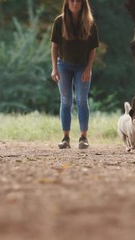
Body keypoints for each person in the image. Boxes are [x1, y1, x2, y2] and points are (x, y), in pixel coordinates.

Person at [50, 0, 99, 149]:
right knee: (66, 101)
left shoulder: (89, 22)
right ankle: (65, 138)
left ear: (83, 4)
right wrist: (54, 68)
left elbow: (92, 49)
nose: (75, 3)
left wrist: (88, 68)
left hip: (82, 67)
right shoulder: (59, 21)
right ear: (67, 3)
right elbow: (54, 47)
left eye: (78, 1)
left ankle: (83, 138)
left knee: (82, 100)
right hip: (63, 65)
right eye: (71, 0)